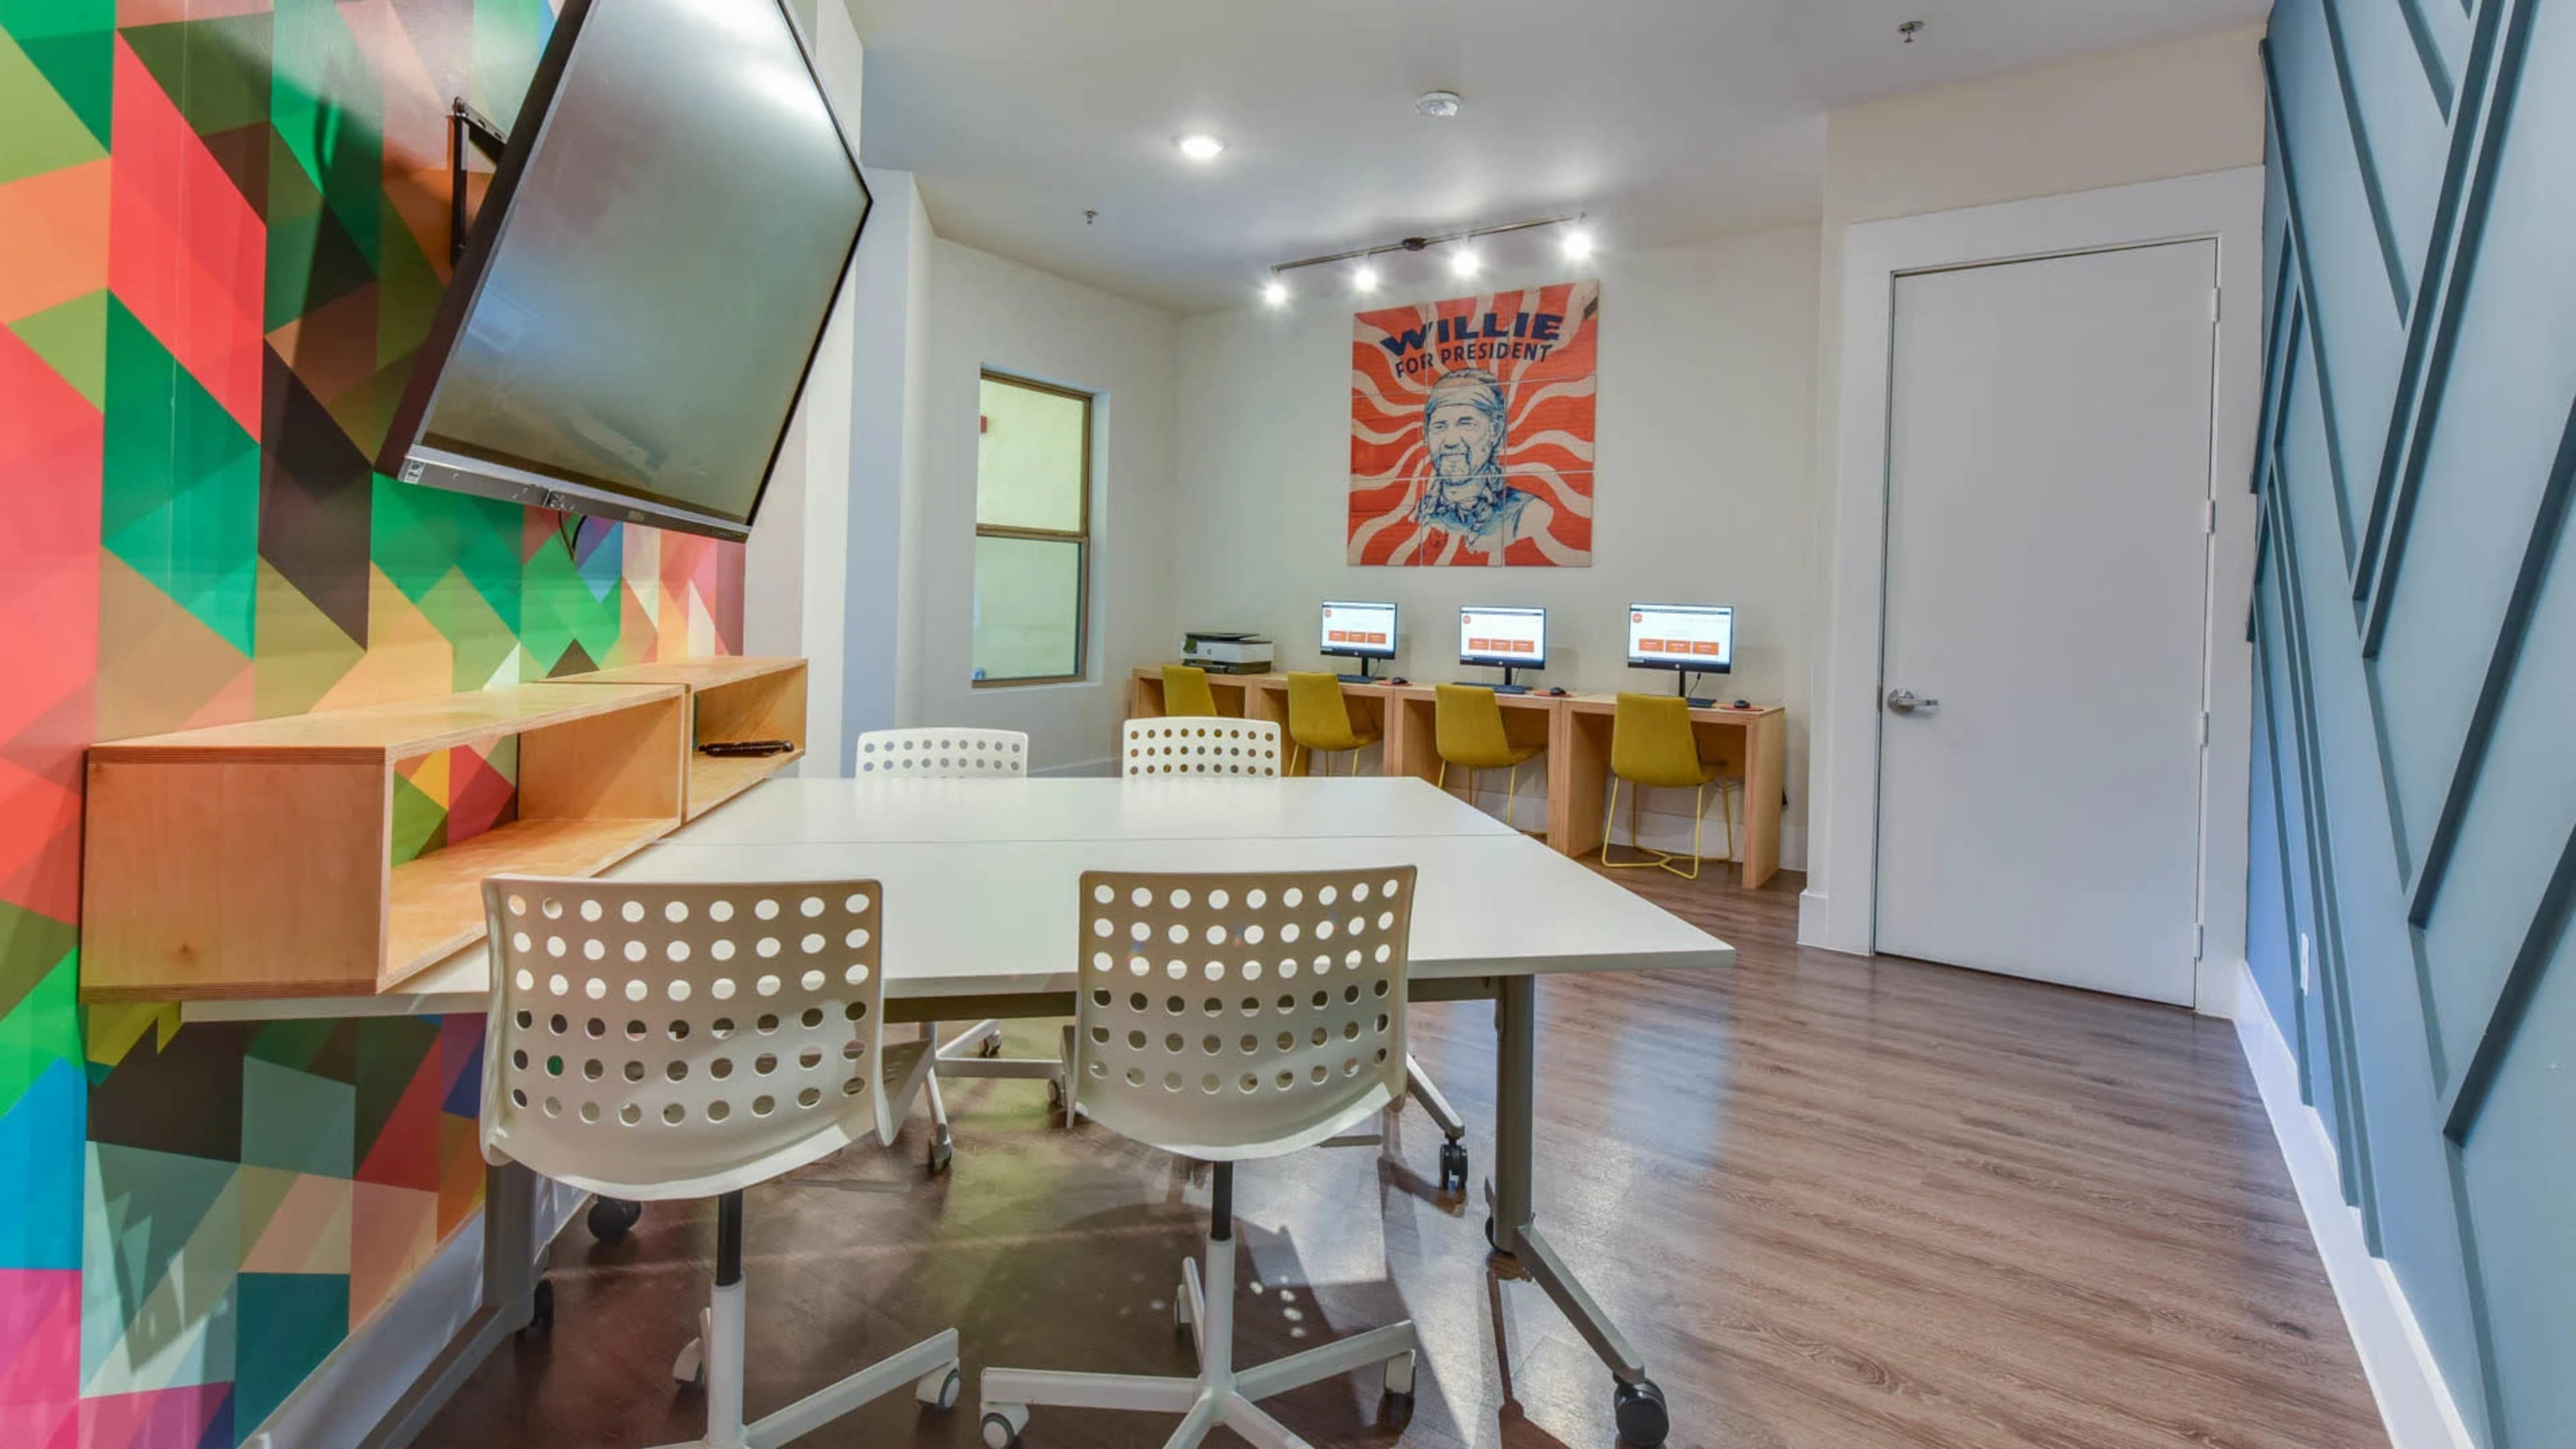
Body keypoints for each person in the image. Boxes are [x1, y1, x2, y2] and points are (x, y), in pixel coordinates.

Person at [1407, 368, 1551, 560]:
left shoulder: (1526, 513)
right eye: (1439, 426)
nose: (1450, 441)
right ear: (1426, 435)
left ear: (1495, 431)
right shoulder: (1417, 514)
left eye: (1466, 424)